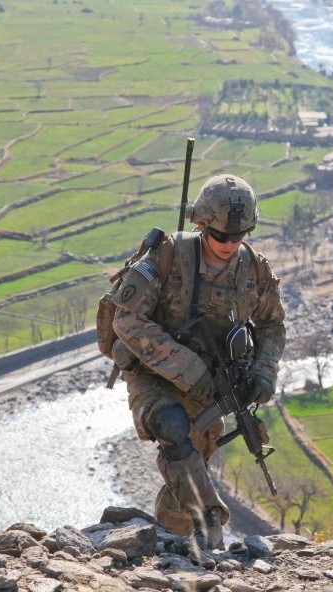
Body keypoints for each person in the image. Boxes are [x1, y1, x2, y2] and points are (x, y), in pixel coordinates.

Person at [110, 174, 286, 551]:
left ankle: (169, 543)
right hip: (154, 372)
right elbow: (126, 320)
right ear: (201, 224)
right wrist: (189, 369)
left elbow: (272, 324)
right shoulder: (168, 257)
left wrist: (262, 371)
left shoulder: (254, 270)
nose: (228, 244)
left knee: (188, 467)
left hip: (212, 382)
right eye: (220, 236)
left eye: (238, 237)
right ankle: (211, 522)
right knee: (172, 427)